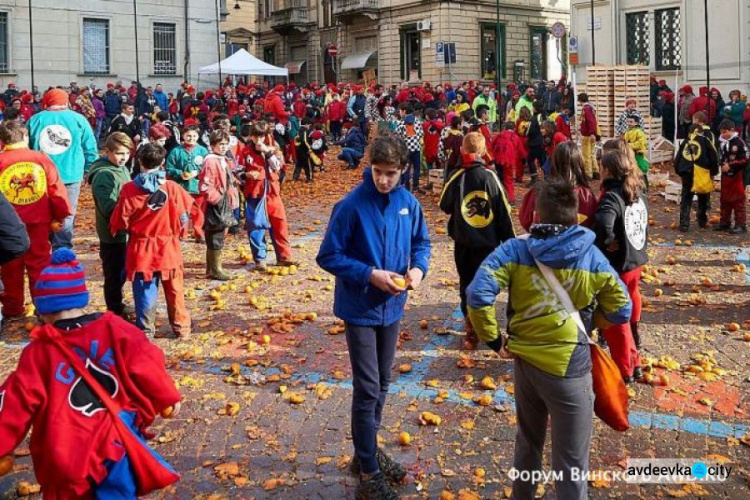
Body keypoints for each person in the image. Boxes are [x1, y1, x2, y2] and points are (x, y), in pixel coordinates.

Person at [466, 178, 632, 500]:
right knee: (570, 464)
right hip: (571, 370)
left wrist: (493, 340)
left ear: (537, 216)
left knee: (527, 443)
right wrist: (591, 323)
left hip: (525, 366)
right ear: (576, 217)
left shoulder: (514, 250)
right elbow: (622, 308)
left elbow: (478, 294)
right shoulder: (593, 257)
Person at [0, 248, 181, 499]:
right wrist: (168, 398)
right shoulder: (117, 329)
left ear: (43, 311)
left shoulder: (38, 352)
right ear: (81, 299)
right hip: (115, 444)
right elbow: (148, 363)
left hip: (64, 451)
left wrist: (2, 446)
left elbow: (15, 402)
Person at [316, 134, 431, 500]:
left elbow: (421, 243)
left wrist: (418, 270)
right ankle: (369, 471)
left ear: (403, 171)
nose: (384, 180)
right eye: (378, 172)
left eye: (391, 174)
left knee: (382, 383)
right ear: (370, 168)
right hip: (360, 308)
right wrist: (370, 274)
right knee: (367, 387)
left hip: (393, 307)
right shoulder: (350, 205)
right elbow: (328, 256)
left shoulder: (409, 203)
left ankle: (365, 451)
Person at [110, 143, 201, 339]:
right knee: (175, 288)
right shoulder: (172, 187)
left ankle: (145, 330)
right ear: (162, 163)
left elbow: (120, 219)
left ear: (140, 162)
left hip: (141, 247)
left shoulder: (129, 189)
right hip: (168, 246)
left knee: (144, 290)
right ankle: (181, 328)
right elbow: (186, 214)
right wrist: (179, 231)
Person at [439, 132, 514, 350]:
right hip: (488, 245)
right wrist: (510, 242)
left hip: (463, 244)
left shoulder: (456, 176)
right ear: (483, 152)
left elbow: (444, 204)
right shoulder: (490, 177)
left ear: (462, 151)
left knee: (466, 284)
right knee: (486, 286)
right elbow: (503, 211)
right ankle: (486, 326)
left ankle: (471, 331)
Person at [0, 121, 71, 322]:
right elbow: (56, 189)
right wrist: (61, 214)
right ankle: (42, 307)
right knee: (39, 263)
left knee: (9, 265)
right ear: (25, 137)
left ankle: (13, 307)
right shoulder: (40, 158)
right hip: (38, 221)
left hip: (7, 225)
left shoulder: (1, 160)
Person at [594, 150, 648, 382]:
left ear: (607, 170)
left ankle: (625, 369)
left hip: (619, 266)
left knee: (616, 320)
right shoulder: (636, 192)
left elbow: (603, 224)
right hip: (635, 261)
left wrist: (607, 242)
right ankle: (635, 362)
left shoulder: (611, 197)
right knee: (627, 311)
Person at [26, 88, 97, 250]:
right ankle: (63, 249)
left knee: (44, 211)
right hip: (71, 173)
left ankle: (45, 245)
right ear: (66, 101)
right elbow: (90, 147)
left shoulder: (35, 119)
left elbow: (26, 147)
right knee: (67, 212)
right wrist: (90, 170)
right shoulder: (79, 119)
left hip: (41, 176)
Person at [88, 132, 135, 318]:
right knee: (114, 274)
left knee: (121, 272)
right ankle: (114, 310)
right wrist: (133, 208)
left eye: (126, 153)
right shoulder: (104, 176)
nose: (123, 158)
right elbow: (108, 207)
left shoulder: (121, 168)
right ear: (107, 151)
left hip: (125, 231)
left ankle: (118, 304)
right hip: (112, 234)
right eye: (119, 153)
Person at [239, 122, 296, 270]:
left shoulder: (274, 149)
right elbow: (237, 170)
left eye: (261, 136)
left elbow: (278, 166)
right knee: (256, 225)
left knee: (279, 222)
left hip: (272, 192)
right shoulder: (245, 151)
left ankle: (284, 256)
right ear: (251, 136)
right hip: (254, 193)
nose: (258, 140)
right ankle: (260, 259)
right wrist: (246, 175)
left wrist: (267, 152)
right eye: (255, 136)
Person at [520, 141, 597, 231]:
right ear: (579, 164)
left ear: (554, 163)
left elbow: (525, 220)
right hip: (577, 242)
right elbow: (593, 221)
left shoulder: (538, 191)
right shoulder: (586, 195)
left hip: (544, 242)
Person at [198, 130, 240, 280]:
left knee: (218, 234)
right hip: (216, 203)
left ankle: (211, 268)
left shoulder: (222, 159)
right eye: (220, 144)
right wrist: (216, 199)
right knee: (215, 235)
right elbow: (205, 185)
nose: (223, 147)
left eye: (225, 144)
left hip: (223, 200)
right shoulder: (210, 161)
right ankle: (216, 269)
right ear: (212, 145)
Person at [674, 112, 719, 232]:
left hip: (687, 172)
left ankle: (684, 223)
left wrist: (679, 170)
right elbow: (713, 157)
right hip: (702, 172)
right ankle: (702, 220)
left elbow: (678, 158)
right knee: (703, 196)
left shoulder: (686, 141)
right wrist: (713, 171)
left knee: (686, 197)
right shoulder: (706, 140)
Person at [716, 119, 748, 234]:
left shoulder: (739, 142)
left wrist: (731, 165)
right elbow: (721, 156)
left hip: (737, 175)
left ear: (731, 130)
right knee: (724, 199)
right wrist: (721, 163)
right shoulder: (721, 142)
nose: (723, 134)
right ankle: (725, 222)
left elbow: (745, 159)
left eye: (725, 132)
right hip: (725, 176)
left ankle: (741, 224)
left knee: (738, 200)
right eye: (721, 132)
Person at [490, 122, 523, 204]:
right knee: (508, 179)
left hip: (497, 159)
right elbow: (521, 151)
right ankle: (510, 199)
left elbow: (491, 144)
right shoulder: (516, 137)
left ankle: (498, 197)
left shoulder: (499, 135)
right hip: (509, 161)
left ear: (505, 128)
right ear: (514, 129)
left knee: (498, 178)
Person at [395, 103, 424, 193]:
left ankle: (407, 186)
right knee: (416, 168)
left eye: (400, 111)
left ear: (404, 111)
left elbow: (398, 135)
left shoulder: (401, 122)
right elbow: (421, 134)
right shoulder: (417, 120)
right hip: (416, 148)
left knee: (406, 168)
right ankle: (415, 186)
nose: (399, 113)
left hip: (405, 149)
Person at [622, 116, 649, 188]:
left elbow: (640, 144)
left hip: (638, 154)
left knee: (641, 169)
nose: (629, 123)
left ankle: (644, 186)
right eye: (628, 121)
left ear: (636, 123)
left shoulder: (639, 132)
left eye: (631, 122)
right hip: (630, 154)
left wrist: (628, 145)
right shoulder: (627, 132)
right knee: (631, 170)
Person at [578, 93, 600, 180]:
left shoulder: (586, 110)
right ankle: (596, 172)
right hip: (590, 134)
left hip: (587, 135)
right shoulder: (590, 108)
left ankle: (588, 174)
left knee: (586, 155)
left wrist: (591, 133)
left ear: (580, 100)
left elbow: (591, 122)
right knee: (591, 154)